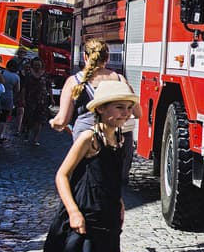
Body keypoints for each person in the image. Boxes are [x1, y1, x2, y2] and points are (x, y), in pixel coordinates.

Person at [31, 81, 138, 252]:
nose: (125, 113)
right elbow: (61, 176)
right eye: (119, 107)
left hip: (107, 214)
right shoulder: (89, 138)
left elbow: (113, 179)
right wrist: (73, 212)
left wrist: (120, 204)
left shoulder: (119, 138)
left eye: (128, 108)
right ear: (101, 109)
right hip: (87, 213)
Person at [51, 38, 142, 185]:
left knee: (85, 183)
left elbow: (62, 120)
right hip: (116, 140)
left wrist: (52, 122)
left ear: (85, 57)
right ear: (108, 58)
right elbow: (138, 113)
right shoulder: (120, 79)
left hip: (87, 142)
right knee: (111, 185)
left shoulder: (74, 81)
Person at [21, 58, 51, 146]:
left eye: (39, 65)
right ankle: (27, 133)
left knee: (39, 120)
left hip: (42, 100)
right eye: (35, 65)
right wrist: (22, 98)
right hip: (30, 100)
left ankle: (36, 138)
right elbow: (24, 88)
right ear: (32, 65)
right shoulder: (28, 74)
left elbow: (49, 87)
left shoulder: (45, 75)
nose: (37, 66)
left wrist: (52, 98)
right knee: (29, 118)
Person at [0, 59, 21, 142]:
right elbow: (17, 90)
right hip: (9, 97)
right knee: (3, 117)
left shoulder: (2, 73)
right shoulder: (16, 77)